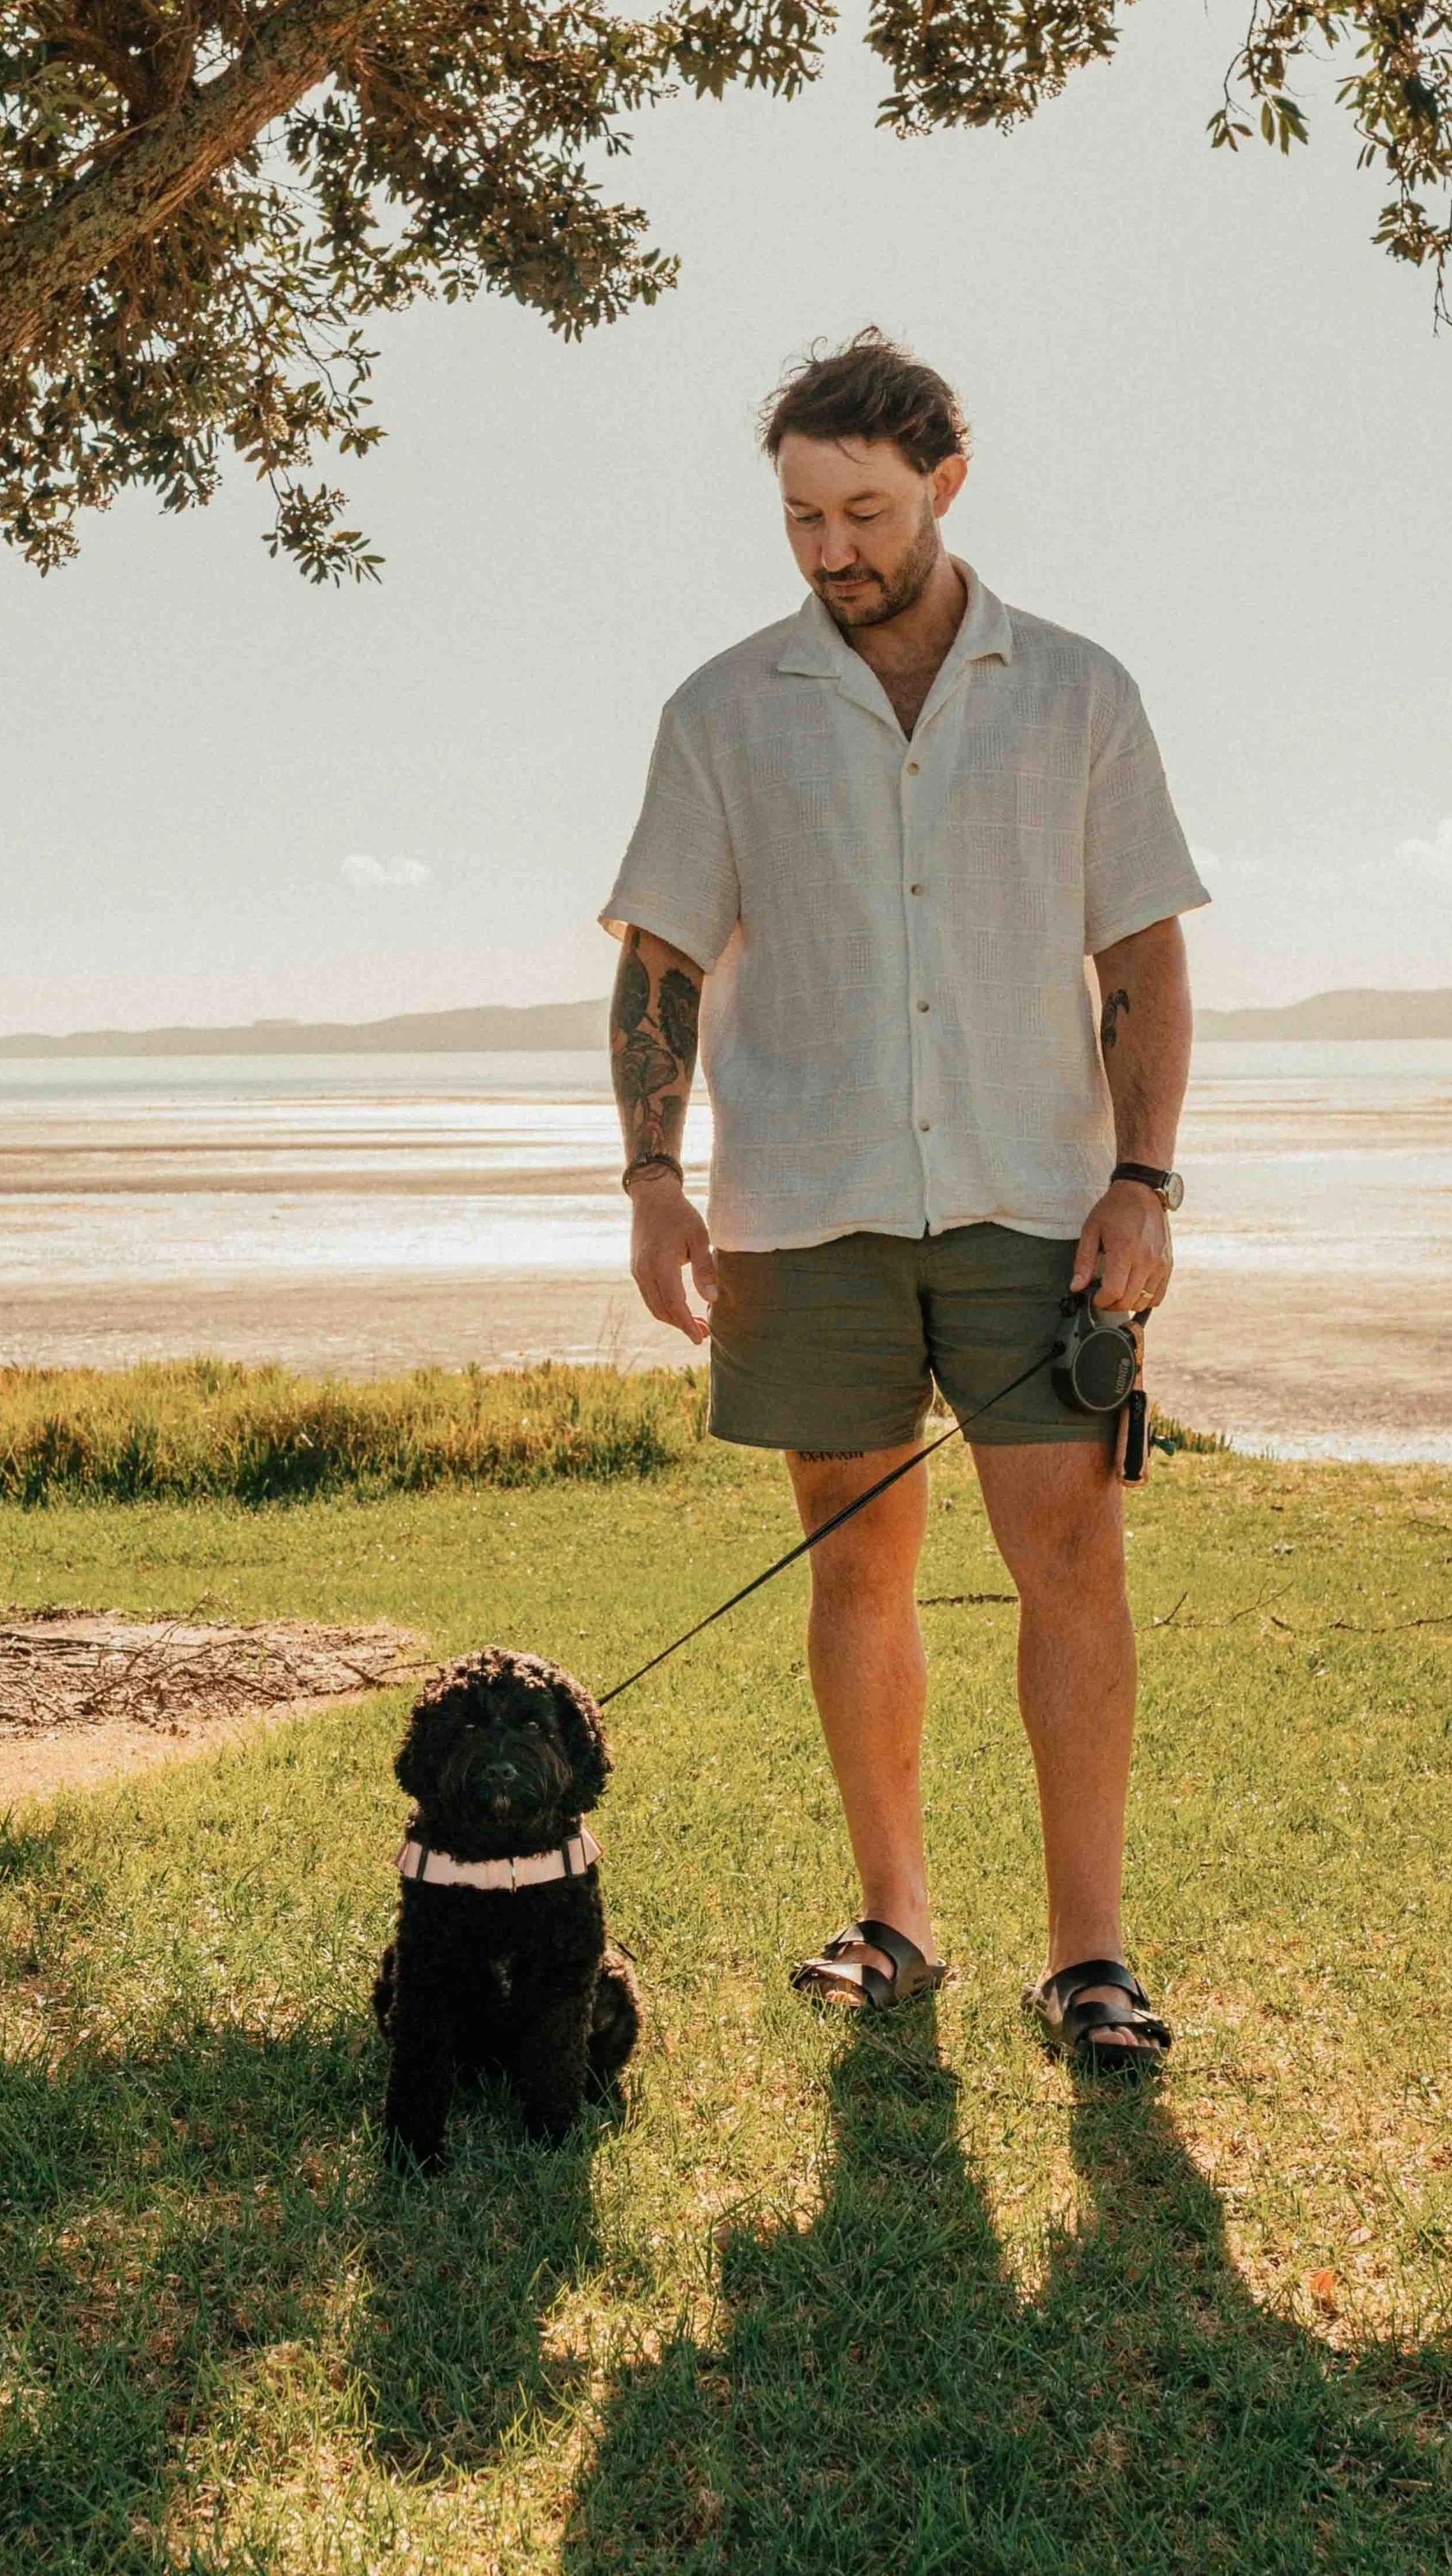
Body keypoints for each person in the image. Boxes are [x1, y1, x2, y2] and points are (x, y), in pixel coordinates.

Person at [602, 329, 1207, 2069]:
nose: (828, 552)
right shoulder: (722, 712)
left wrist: (1142, 1181)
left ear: (944, 483)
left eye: (860, 512)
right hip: (807, 1208)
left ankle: (1086, 1957)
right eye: (798, 518)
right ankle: (895, 1920)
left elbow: (1139, 958)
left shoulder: (1077, 691)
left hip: (1036, 1198)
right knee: (853, 1562)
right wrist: (649, 1178)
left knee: (1068, 1558)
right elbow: (656, 961)